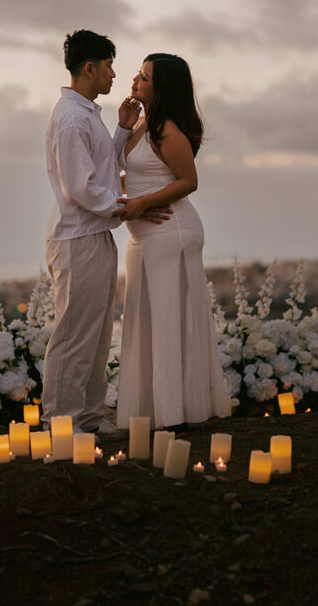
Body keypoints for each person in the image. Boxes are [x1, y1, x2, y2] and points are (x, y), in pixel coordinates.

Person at [42, 30, 168, 435]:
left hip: (94, 235)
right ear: (90, 67)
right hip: (77, 238)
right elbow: (79, 188)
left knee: (96, 335)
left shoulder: (87, 115)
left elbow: (101, 172)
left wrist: (122, 131)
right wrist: (128, 207)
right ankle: (61, 426)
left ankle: (91, 418)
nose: (116, 74)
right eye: (110, 65)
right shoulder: (70, 119)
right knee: (75, 335)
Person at [114, 53, 231, 430]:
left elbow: (188, 181)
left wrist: (143, 204)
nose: (135, 80)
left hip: (171, 231)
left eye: (144, 76)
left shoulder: (166, 128)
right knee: (148, 321)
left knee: (167, 320)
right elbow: (130, 178)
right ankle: (152, 410)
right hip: (146, 234)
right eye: (139, 72)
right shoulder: (143, 125)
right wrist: (123, 127)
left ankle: (174, 414)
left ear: (161, 87)